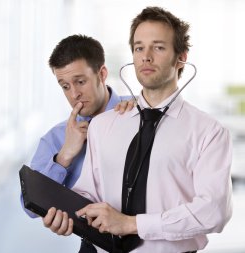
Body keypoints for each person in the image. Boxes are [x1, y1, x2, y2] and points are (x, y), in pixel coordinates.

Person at [42, 7, 233, 253]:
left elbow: (214, 211)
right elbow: (88, 191)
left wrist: (132, 224)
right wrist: (65, 214)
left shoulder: (209, 132)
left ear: (181, 57)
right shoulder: (104, 124)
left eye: (159, 47)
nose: (146, 57)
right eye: (139, 47)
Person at [20, 34, 134, 252]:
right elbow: (29, 207)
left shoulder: (139, 110)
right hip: (97, 244)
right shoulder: (56, 137)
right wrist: (64, 157)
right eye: (64, 86)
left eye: (80, 82)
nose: (74, 94)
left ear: (102, 74)